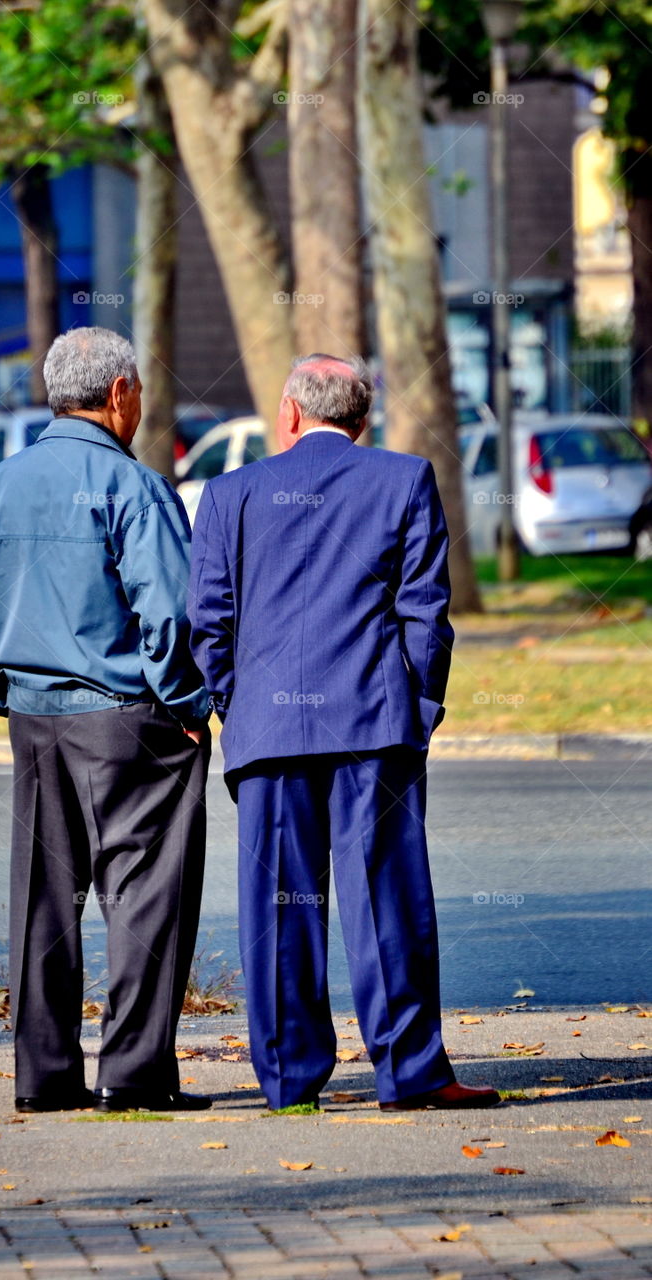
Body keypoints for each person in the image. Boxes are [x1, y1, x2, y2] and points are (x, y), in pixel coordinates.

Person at [188, 353, 499, 1112]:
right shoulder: (402, 480)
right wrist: (416, 711)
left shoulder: (228, 494)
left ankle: (290, 1081)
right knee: (384, 901)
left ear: (290, 414)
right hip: (373, 725)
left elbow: (207, 624)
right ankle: (411, 1074)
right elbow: (426, 617)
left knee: (279, 907)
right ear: (362, 420)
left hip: (268, 733)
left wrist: (236, 708)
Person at [0, 326, 212, 1114]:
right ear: (121, 395)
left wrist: (0, 691)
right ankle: (132, 1077)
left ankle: (46, 1078)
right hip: (128, 718)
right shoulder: (135, 487)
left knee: (41, 901)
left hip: (33, 718)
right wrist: (188, 705)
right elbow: (169, 617)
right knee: (145, 897)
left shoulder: (0, 483)